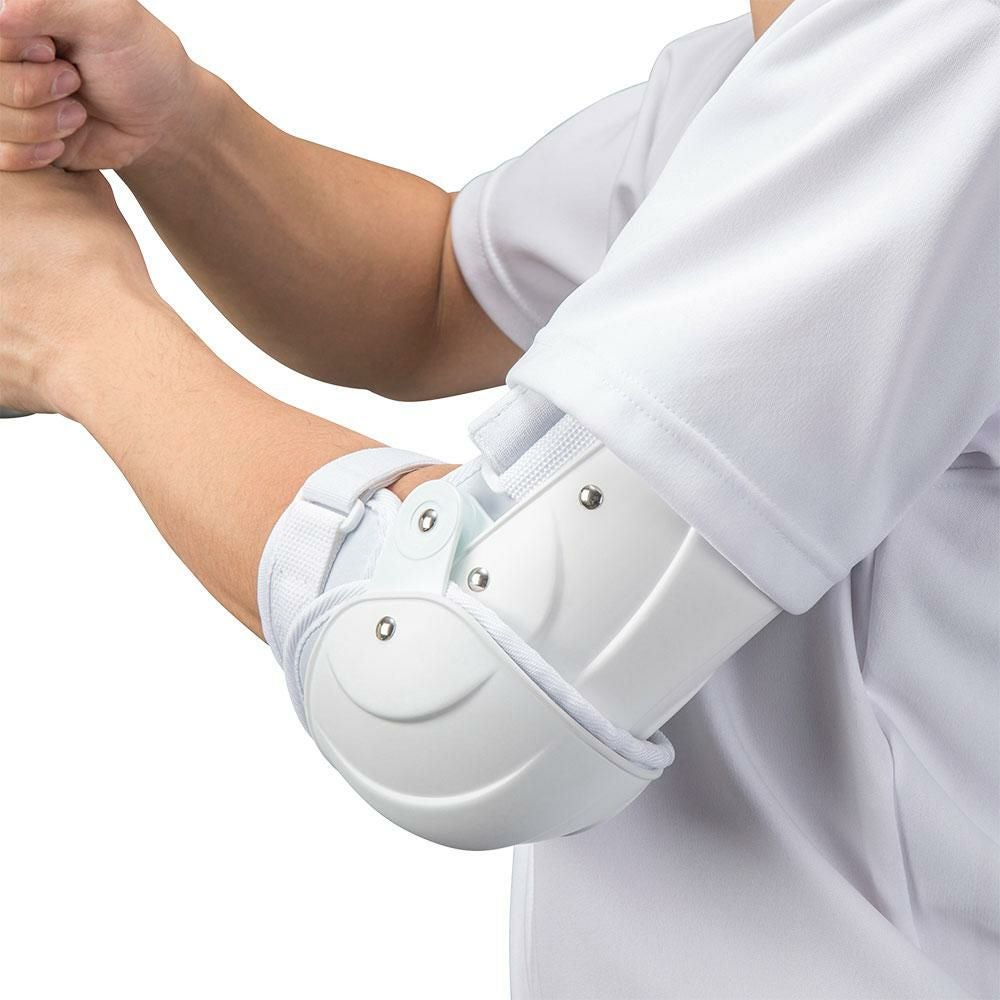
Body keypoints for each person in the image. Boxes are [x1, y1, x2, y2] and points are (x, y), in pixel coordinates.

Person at [1, 0, 997, 996]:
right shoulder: (793, 56)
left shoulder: (944, 43)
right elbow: (435, 292)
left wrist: (77, 327)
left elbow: (450, 690)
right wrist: (175, 128)